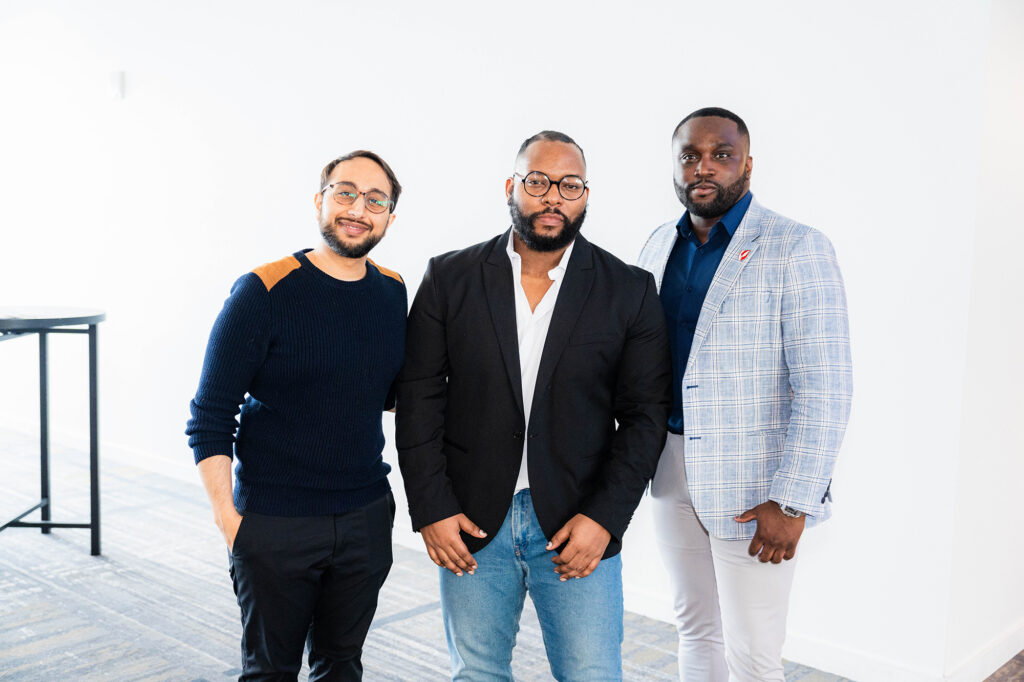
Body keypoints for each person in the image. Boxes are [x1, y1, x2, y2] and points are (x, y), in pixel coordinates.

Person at [396, 131, 671, 681]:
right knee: (475, 674)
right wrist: (430, 507)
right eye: (538, 181)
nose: (552, 197)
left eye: (569, 185)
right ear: (511, 187)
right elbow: (419, 398)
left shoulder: (630, 290)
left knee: (592, 673)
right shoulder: (449, 278)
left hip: (578, 522)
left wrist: (604, 519)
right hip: (471, 522)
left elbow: (645, 416)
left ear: (585, 196)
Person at [637, 107, 853, 681]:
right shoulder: (658, 244)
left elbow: (826, 386)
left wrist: (793, 500)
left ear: (747, 165)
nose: (703, 167)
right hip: (669, 469)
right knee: (694, 630)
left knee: (754, 654)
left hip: (754, 488)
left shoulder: (797, 247)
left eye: (721, 154)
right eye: (689, 155)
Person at [185, 150, 406, 681]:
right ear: (320, 201)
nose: (359, 208)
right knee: (270, 673)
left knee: (341, 665)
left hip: (364, 517)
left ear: (390, 218)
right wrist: (230, 521)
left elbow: (383, 392)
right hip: (275, 521)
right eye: (346, 192)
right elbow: (210, 416)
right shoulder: (263, 289)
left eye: (376, 200)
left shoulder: (393, 290)